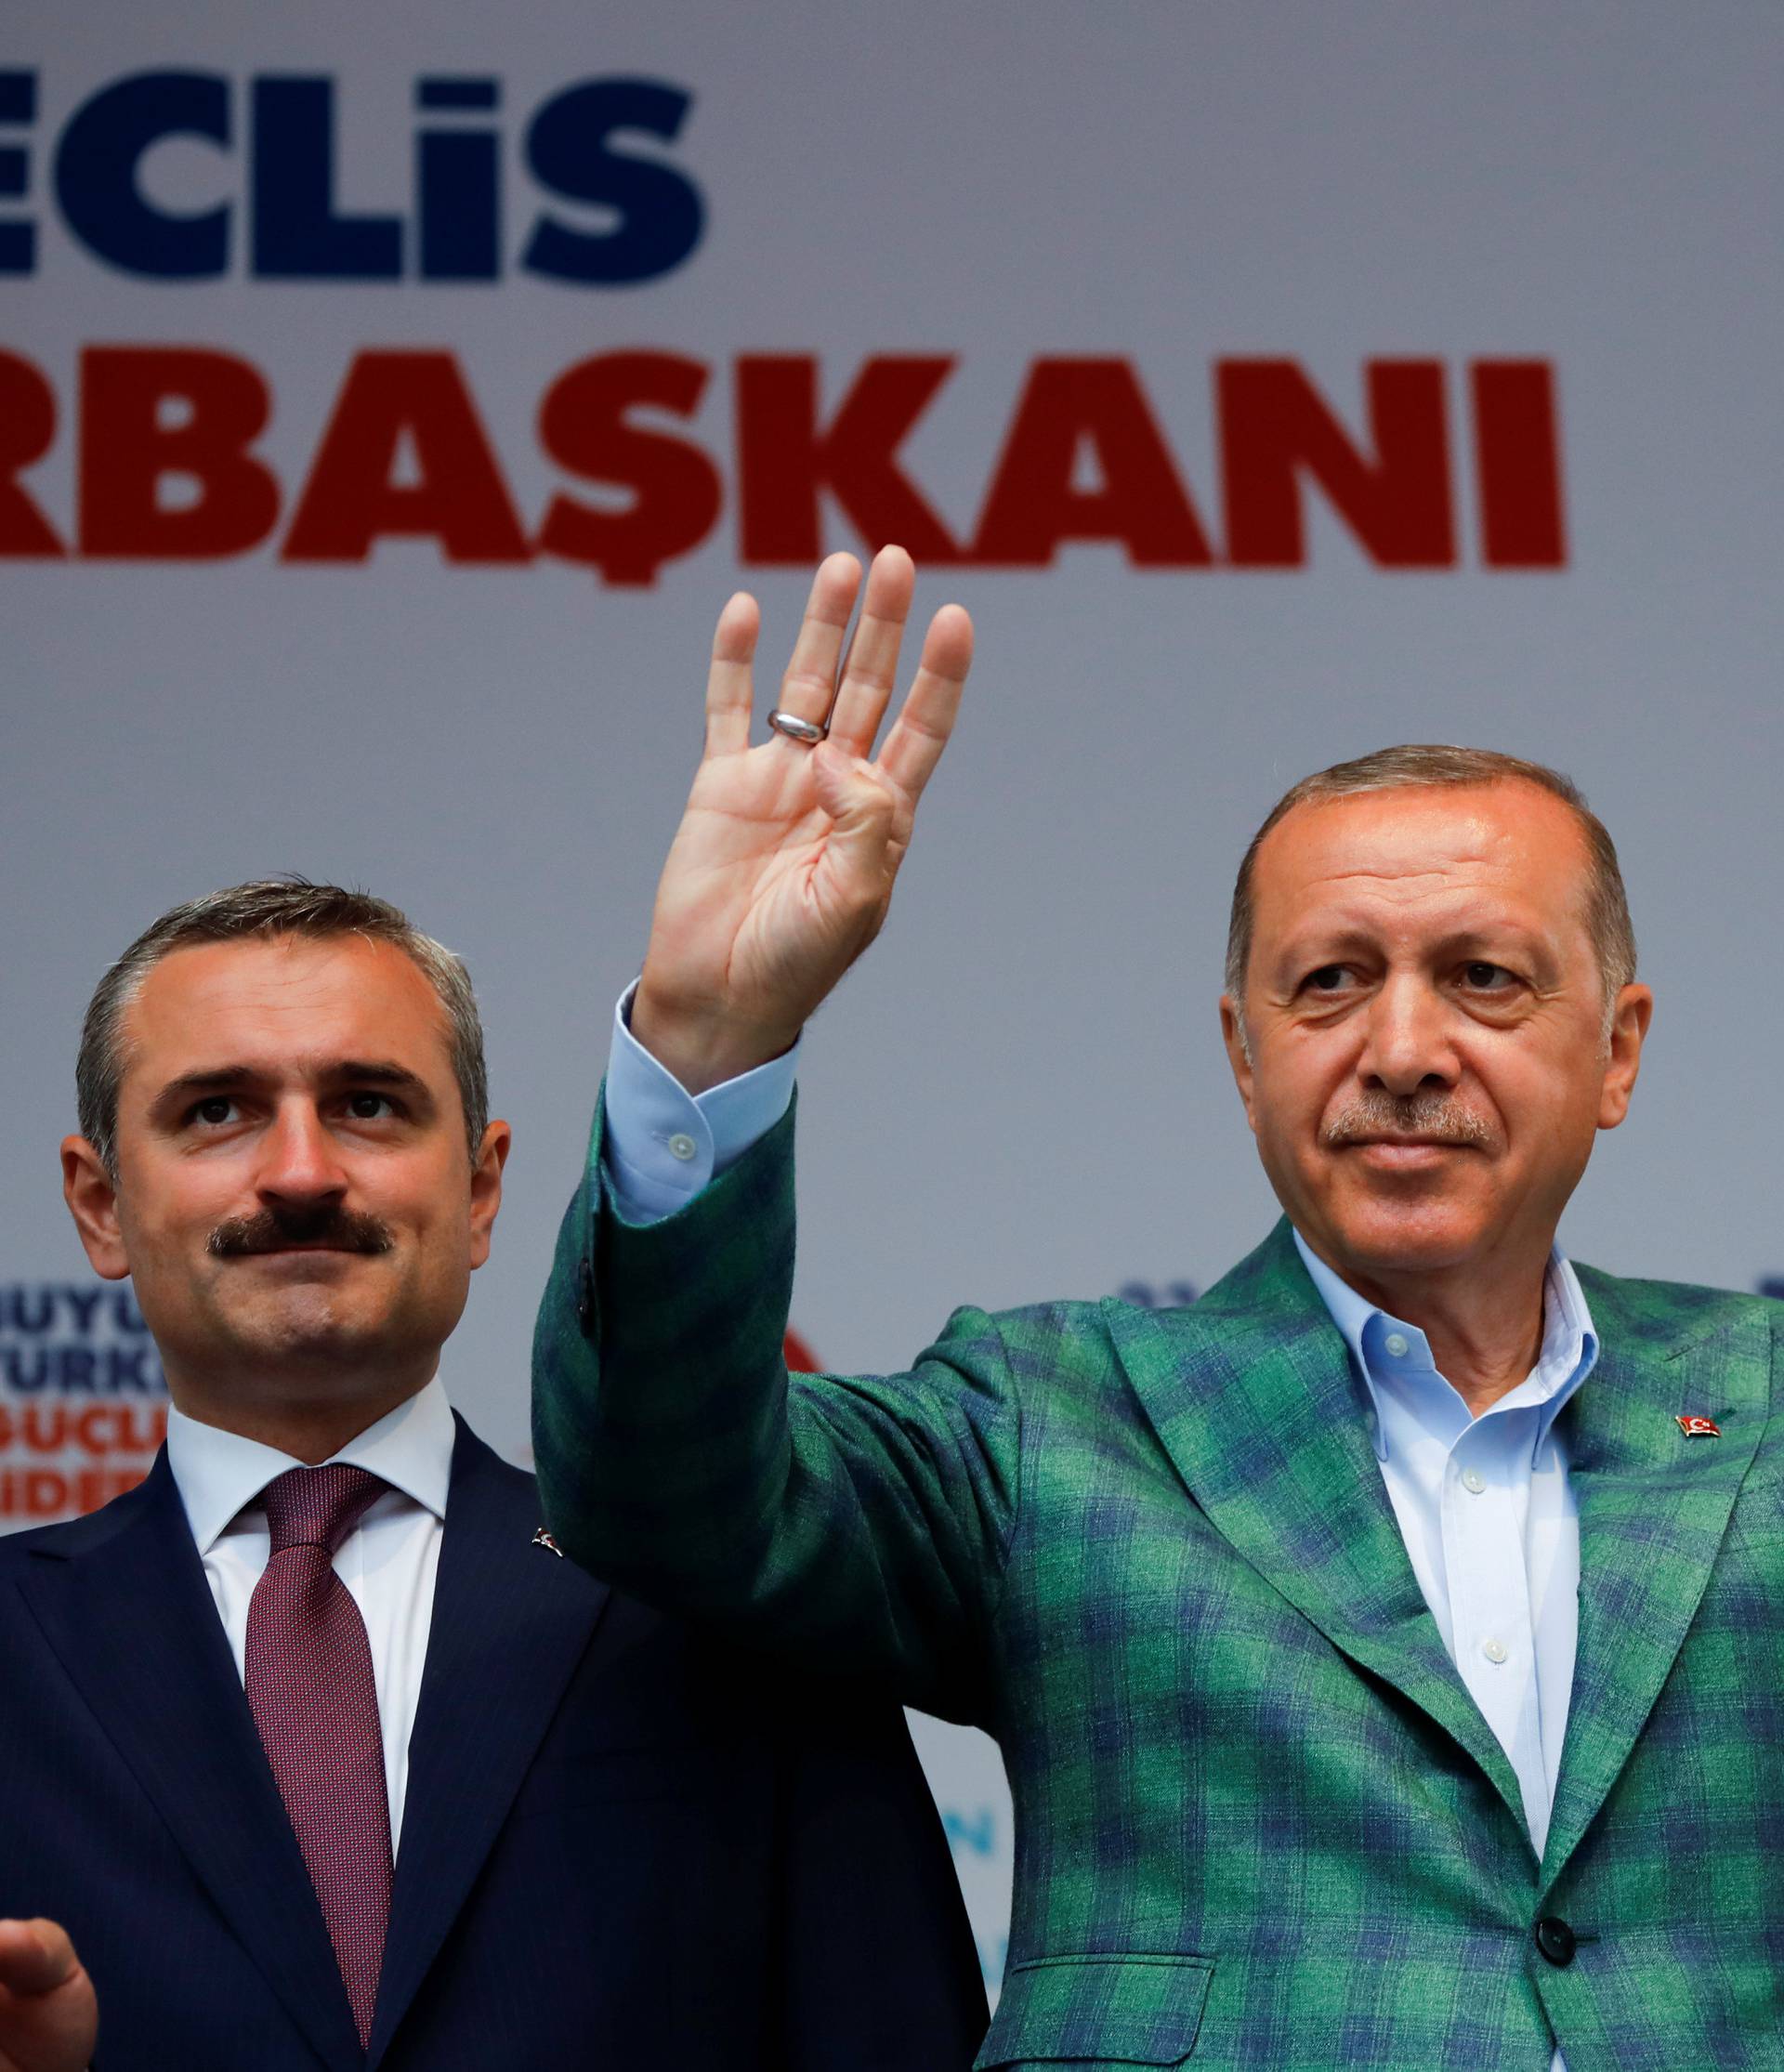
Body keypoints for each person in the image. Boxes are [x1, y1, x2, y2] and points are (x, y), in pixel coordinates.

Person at [531, 545, 1784, 2069]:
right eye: (1328, 983)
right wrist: (716, 1031)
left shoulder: (1762, 1392)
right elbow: (663, 1496)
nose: (1401, 1047)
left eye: (1482, 978)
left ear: (1619, 1050)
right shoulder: (1053, 1416)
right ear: (1245, 1054)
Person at [0, 880, 986, 2072]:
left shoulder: (725, 1602)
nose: (302, 1171)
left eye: (367, 1104)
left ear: (478, 1189)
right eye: (218, 1111)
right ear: (101, 1205)